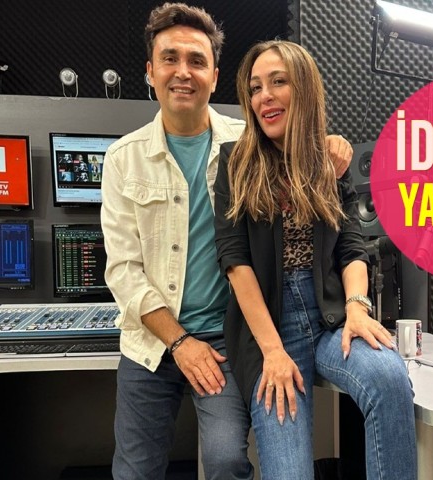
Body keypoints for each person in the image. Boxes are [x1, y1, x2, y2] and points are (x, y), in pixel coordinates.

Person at [100, 4, 353, 480]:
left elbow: (303, 145)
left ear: (215, 77)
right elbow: (123, 272)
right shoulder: (122, 159)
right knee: (134, 471)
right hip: (151, 342)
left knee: (226, 461)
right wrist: (179, 342)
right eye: (170, 59)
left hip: (224, 338)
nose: (183, 72)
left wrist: (332, 144)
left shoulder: (250, 145)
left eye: (197, 61)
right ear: (150, 71)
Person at [214, 40, 417, 480]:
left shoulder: (327, 162)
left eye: (278, 82)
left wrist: (357, 307)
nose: (265, 96)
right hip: (269, 329)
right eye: (256, 87)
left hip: (329, 319)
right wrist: (272, 352)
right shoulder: (234, 161)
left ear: (304, 89)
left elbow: (352, 247)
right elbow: (235, 262)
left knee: (389, 377)